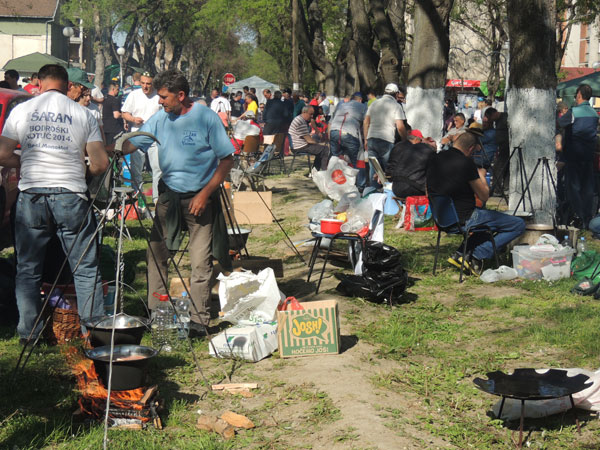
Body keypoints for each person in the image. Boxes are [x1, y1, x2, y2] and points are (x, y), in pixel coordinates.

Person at [0, 64, 109, 343]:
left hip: (32, 195)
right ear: (66, 85)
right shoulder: (83, 114)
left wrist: (24, 160)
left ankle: (29, 334)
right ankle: (93, 334)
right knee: (85, 269)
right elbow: (100, 163)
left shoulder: (22, 110)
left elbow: (2, 154)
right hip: (70, 193)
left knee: (28, 269)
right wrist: (81, 170)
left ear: (38, 83)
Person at [121, 69, 234, 332]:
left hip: (200, 201)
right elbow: (133, 143)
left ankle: (199, 320)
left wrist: (204, 194)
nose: (159, 101)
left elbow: (227, 159)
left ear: (180, 95)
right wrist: (107, 148)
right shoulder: (160, 118)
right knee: (156, 255)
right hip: (169, 198)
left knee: (200, 263)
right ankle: (158, 315)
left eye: (164, 96)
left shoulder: (205, 117)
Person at [426, 131, 525, 275]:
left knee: (487, 223)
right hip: (464, 219)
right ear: (471, 148)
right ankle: (476, 254)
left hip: (441, 218)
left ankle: (460, 254)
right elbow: (484, 196)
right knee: (517, 224)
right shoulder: (466, 163)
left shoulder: (435, 159)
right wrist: (481, 176)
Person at [557, 83, 599, 228]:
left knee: (573, 187)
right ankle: (587, 218)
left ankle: (577, 216)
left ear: (579, 95)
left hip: (573, 155)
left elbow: (561, 122)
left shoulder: (574, 111)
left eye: (576, 95)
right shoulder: (594, 113)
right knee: (587, 188)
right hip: (588, 156)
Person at [121, 71, 162, 202]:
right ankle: (138, 200)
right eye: (143, 83)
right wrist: (133, 118)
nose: (145, 86)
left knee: (158, 169)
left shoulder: (158, 96)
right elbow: (124, 113)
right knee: (136, 170)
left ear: (153, 84)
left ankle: (157, 200)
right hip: (137, 134)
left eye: (148, 84)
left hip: (154, 137)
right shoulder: (134, 95)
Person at [363, 83, 407, 188]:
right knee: (388, 171)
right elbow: (400, 127)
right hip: (386, 141)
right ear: (396, 94)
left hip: (371, 139)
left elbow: (366, 122)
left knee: (374, 170)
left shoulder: (374, 104)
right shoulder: (396, 106)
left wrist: (365, 139)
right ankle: (387, 195)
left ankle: (373, 195)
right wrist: (405, 141)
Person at [386, 129, 436, 198]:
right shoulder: (428, 151)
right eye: (420, 140)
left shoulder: (403, 146)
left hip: (395, 185)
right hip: (409, 187)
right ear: (416, 139)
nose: (420, 142)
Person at [328, 92, 366, 175]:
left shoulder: (341, 105)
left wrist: (329, 137)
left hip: (334, 132)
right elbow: (366, 123)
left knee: (335, 159)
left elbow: (330, 122)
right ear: (360, 100)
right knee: (356, 161)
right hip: (349, 134)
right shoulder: (363, 106)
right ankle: (359, 185)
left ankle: (334, 181)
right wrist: (365, 140)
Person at [288, 105, 330, 171]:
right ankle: (323, 171)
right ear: (304, 112)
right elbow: (309, 140)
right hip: (300, 147)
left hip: (298, 144)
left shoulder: (299, 119)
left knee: (321, 148)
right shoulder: (301, 122)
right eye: (310, 114)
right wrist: (320, 143)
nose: (312, 116)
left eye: (312, 114)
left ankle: (315, 170)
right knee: (325, 149)